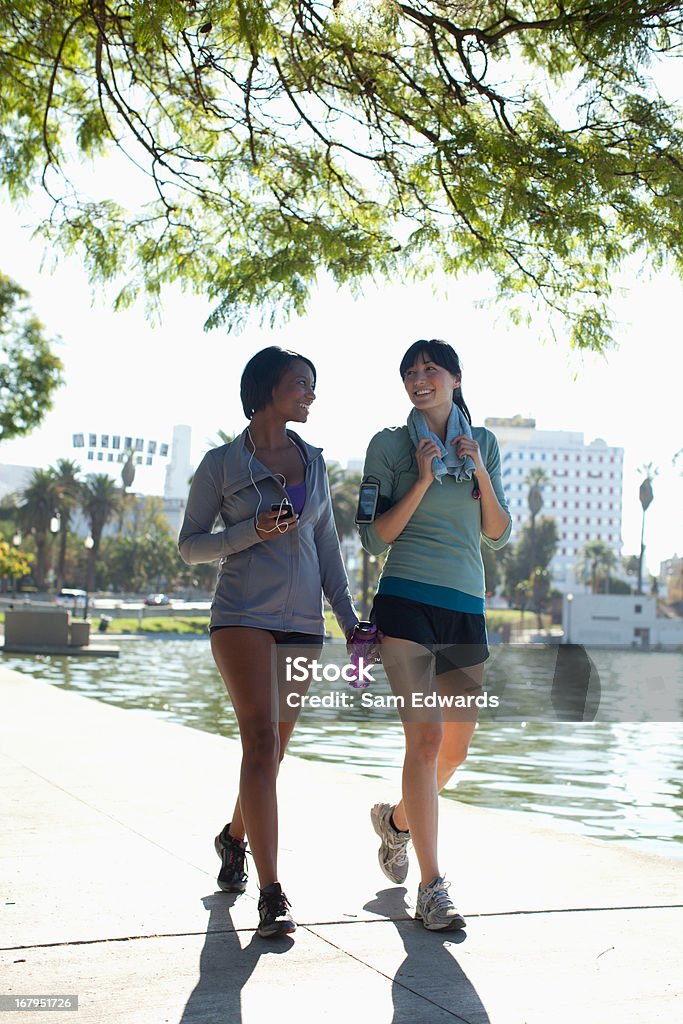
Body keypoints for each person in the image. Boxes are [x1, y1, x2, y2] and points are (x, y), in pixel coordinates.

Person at [179, 346, 358, 937]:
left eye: (313, 384)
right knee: (259, 741)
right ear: (267, 390)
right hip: (241, 617)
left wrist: (349, 620)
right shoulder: (221, 465)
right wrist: (248, 532)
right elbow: (191, 546)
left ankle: (233, 838)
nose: (311, 394)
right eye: (301, 383)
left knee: (271, 753)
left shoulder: (315, 462)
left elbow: (328, 546)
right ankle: (272, 893)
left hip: (304, 622)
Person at [358, 338, 511, 931]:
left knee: (453, 751)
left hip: (464, 607)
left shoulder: (487, 444)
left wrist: (477, 470)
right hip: (405, 604)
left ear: (456, 378)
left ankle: (396, 823)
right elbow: (375, 539)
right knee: (423, 743)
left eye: (431, 370)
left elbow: (496, 534)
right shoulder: (389, 447)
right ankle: (432, 887)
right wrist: (421, 478)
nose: (420, 379)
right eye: (410, 373)